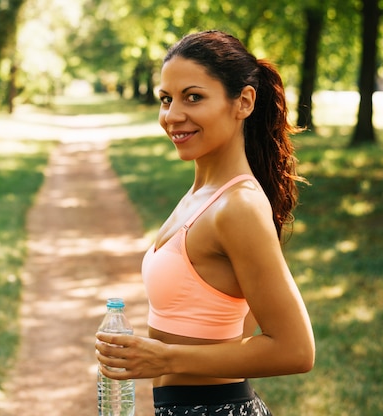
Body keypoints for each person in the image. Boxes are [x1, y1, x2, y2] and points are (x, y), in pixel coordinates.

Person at [95, 30, 315, 415]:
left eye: (193, 97)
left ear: (243, 102)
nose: (172, 115)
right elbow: (236, 327)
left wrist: (166, 359)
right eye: (166, 99)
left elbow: (295, 350)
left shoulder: (239, 206)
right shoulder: (202, 195)